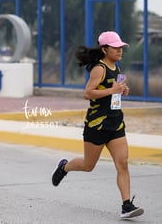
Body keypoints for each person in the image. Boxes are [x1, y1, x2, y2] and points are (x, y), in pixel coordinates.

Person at [51, 31, 144, 219]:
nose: (120, 50)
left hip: (115, 123)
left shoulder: (116, 68)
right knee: (88, 165)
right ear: (104, 49)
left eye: (121, 47)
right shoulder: (99, 69)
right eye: (115, 47)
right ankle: (64, 167)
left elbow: (111, 93)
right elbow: (88, 93)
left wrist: (120, 92)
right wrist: (113, 90)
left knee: (123, 163)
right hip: (97, 124)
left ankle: (126, 205)